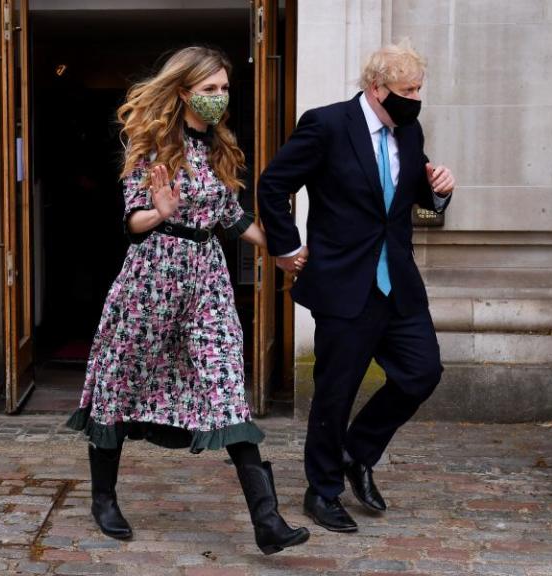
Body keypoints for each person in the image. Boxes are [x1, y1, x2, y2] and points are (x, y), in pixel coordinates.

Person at [67, 46, 309, 555]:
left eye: (224, 88)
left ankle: (267, 521)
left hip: (206, 280)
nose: (220, 97)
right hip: (153, 276)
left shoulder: (219, 146)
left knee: (226, 382)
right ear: (184, 92)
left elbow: (231, 216)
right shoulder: (153, 144)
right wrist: (160, 210)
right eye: (209, 89)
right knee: (122, 380)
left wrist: (283, 252)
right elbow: (133, 221)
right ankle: (104, 499)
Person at [257, 40, 455, 533]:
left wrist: (440, 191)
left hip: (399, 284)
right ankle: (321, 492)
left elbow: (413, 197)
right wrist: (285, 247)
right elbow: (272, 183)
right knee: (335, 392)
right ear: (376, 88)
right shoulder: (326, 125)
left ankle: (357, 453)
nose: (415, 98)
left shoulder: (409, 131)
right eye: (406, 90)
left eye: (418, 89)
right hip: (345, 284)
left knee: (421, 373)